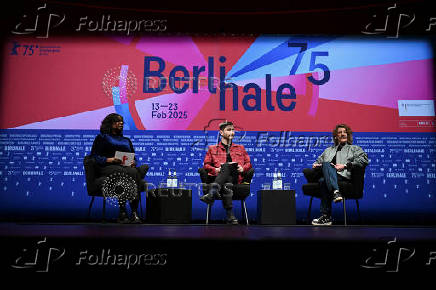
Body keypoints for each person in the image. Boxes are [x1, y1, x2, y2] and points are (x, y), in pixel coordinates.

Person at [90, 113, 147, 223]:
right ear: (110, 124)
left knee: (131, 171)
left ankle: (129, 213)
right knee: (129, 173)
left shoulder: (126, 140)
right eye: (117, 121)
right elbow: (94, 156)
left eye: (122, 121)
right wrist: (110, 160)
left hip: (125, 167)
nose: (121, 123)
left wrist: (133, 162)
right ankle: (126, 211)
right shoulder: (102, 138)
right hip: (108, 167)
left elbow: (133, 156)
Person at [310, 124, 369, 226]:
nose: (343, 134)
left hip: (344, 177)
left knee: (323, 180)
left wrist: (345, 166)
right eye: (340, 132)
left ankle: (326, 217)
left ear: (348, 135)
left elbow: (364, 160)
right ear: (336, 136)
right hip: (330, 177)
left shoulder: (355, 148)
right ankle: (336, 192)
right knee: (326, 168)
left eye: (345, 132)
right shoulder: (328, 150)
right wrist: (316, 165)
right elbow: (317, 162)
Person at [200, 121, 252, 225]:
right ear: (221, 132)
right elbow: (206, 165)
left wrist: (243, 168)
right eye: (229, 130)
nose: (232, 132)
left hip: (236, 177)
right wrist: (216, 170)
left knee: (228, 167)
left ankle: (212, 193)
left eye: (233, 130)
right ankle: (230, 215)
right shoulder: (212, 148)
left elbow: (248, 164)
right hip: (219, 178)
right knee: (226, 181)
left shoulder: (240, 148)